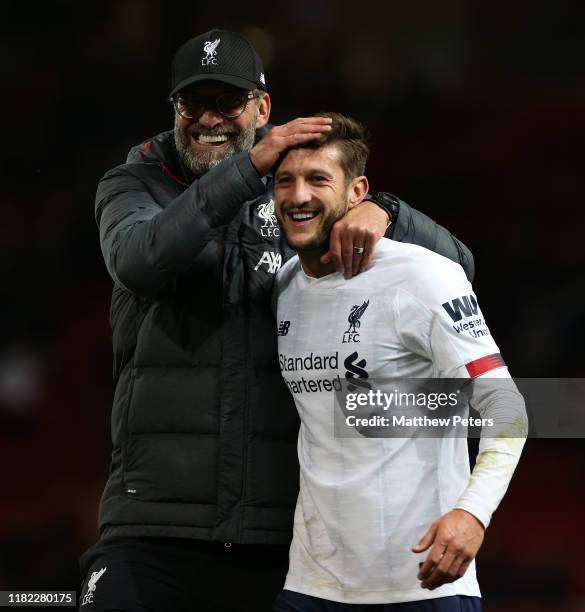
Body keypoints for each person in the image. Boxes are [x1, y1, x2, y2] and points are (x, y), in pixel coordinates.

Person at [81, 29, 476, 611]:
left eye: (228, 102)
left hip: (284, 542)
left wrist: (385, 211)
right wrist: (247, 170)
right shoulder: (135, 181)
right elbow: (140, 262)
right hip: (151, 527)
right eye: (194, 103)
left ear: (262, 108)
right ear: (174, 111)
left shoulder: (299, 184)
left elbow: (457, 268)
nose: (209, 118)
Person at [273, 113, 527, 611]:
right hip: (312, 585)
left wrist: (473, 514)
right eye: (285, 180)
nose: (298, 195)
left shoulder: (423, 276)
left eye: (318, 179)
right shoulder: (281, 288)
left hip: (421, 584)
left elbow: (508, 406)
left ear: (357, 192)